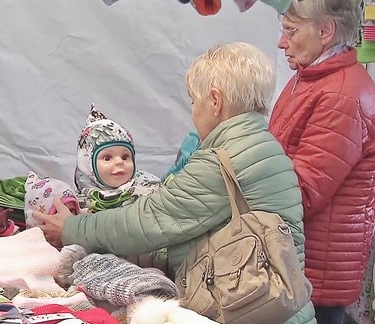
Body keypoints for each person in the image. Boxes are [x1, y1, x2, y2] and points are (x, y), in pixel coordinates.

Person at [34, 41, 316, 323]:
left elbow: (149, 221)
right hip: (279, 309)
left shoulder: (223, 160)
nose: (193, 113)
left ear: (215, 101)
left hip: (252, 312)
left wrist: (72, 228)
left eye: (195, 102)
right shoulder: (264, 146)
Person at [268, 1, 375, 323]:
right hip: (300, 267)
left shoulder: (342, 96)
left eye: (290, 31)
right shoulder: (312, 81)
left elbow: (302, 192)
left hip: (314, 277)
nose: (282, 43)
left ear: (325, 31)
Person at [74, 104, 161, 212]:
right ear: (87, 165)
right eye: (107, 158)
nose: (119, 162)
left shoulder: (151, 193)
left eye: (125, 157)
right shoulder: (76, 206)